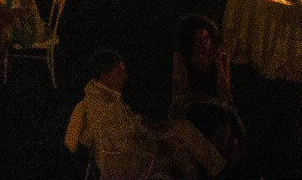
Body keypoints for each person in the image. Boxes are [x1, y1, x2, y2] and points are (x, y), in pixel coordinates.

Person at [66, 50, 225, 180]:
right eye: (119, 73)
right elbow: (124, 144)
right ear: (104, 76)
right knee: (179, 143)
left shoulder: (102, 97)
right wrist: (156, 142)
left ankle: (214, 168)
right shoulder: (104, 107)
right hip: (130, 166)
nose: (125, 77)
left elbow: (124, 127)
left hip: (130, 156)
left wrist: (145, 122)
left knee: (181, 129)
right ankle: (217, 170)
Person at [170, 15, 243, 160]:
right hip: (191, 105)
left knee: (225, 127)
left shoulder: (220, 58)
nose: (203, 44)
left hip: (217, 106)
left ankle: (219, 163)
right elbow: (185, 92)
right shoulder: (181, 58)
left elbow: (225, 94)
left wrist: (218, 66)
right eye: (198, 40)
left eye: (206, 39)